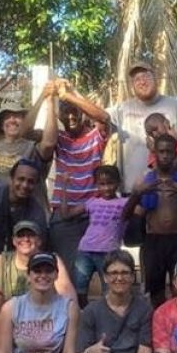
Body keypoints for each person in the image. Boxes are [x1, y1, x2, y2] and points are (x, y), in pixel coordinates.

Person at [123, 134, 177, 308]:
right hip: (153, 241)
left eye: (169, 152)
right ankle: (159, 324)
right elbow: (125, 216)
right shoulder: (145, 179)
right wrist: (137, 194)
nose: (165, 155)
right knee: (155, 290)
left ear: (175, 154)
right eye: (161, 151)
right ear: (154, 153)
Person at [42, 79, 110, 277]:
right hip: (64, 216)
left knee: (107, 274)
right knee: (66, 275)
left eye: (75, 111)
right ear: (59, 115)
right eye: (65, 111)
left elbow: (104, 117)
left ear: (82, 113)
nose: (70, 116)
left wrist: (69, 94)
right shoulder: (58, 138)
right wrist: (48, 101)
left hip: (95, 215)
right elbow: (29, 133)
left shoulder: (96, 136)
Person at [109, 61, 177, 195]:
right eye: (137, 79)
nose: (142, 82)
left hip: (168, 188)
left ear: (155, 78)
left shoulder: (176, 106)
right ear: (132, 85)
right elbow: (100, 117)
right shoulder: (122, 109)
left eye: (146, 76)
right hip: (131, 189)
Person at [61, 165, 129, 307]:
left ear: (118, 183)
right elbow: (66, 214)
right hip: (86, 250)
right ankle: (85, 314)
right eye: (102, 184)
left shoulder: (124, 203)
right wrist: (64, 187)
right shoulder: (92, 202)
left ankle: (104, 316)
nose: (106, 188)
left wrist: (139, 192)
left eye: (110, 183)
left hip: (109, 252)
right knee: (80, 286)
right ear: (96, 184)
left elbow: (140, 211)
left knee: (108, 288)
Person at [0, 158, 49, 258]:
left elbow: (36, 248)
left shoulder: (37, 213)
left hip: (15, 258)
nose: (25, 185)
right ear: (11, 178)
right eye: (21, 179)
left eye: (30, 182)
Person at [0, 220, 76, 300]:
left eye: (31, 235)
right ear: (14, 241)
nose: (26, 239)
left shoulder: (52, 260)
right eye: (21, 235)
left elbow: (68, 298)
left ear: (39, 241)